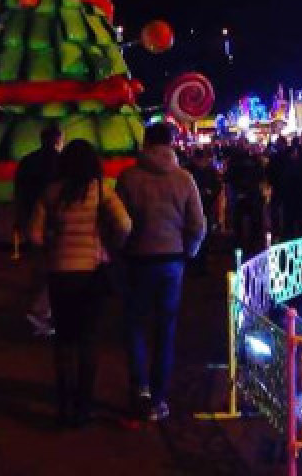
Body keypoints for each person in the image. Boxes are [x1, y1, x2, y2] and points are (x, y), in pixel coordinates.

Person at [29, 139, 130, 427]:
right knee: (88, 341)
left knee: (63, 341)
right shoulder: (101, 191)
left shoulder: (50, 193)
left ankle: (64, 406)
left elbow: (34, 235)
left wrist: (53, 244)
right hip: (92, 274)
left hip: (60, 274)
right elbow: (125, 224)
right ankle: (84, 406)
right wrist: (110, 246)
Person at [115, 122, 206, 421]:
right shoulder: (184, 179)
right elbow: (198, 225)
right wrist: (187, 252)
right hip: (172, 261)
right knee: (165, 330)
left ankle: (139, 388)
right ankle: (159, 400)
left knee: (135, 326)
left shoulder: (128, 178)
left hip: (138, 259)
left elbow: (118, 223)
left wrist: (121, 249)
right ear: (171, 144)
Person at [14, 123, 63, 336]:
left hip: (31, 218)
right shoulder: (62, 162)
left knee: (39, 264)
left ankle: (40, 307)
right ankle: (41, 310)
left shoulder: (27, 161)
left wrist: (21, 217)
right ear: (57, 139)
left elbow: (19, 191)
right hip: (55, 221)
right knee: (55, 266)